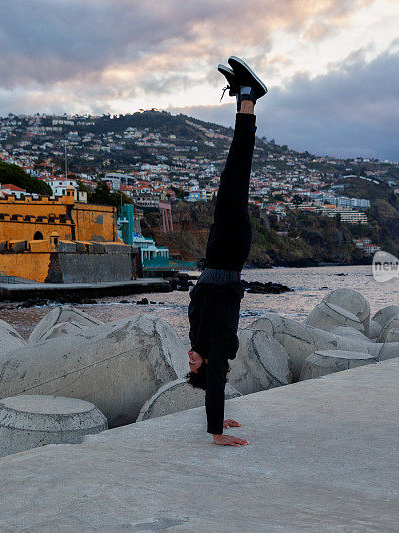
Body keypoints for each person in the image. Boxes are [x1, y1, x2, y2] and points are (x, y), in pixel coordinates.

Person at [186, 56, 267, 447]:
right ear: (206, 366)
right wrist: (216, 432)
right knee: (237, 171)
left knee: (233, 175)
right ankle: (249, 96)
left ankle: (245, 98)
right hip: (227, 250)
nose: (190, 360)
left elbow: (212, 379)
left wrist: (222, 416)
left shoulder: (200, 338)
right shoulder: (214, 342)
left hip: (221, 251)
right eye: (194, 367)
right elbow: (216, 377)